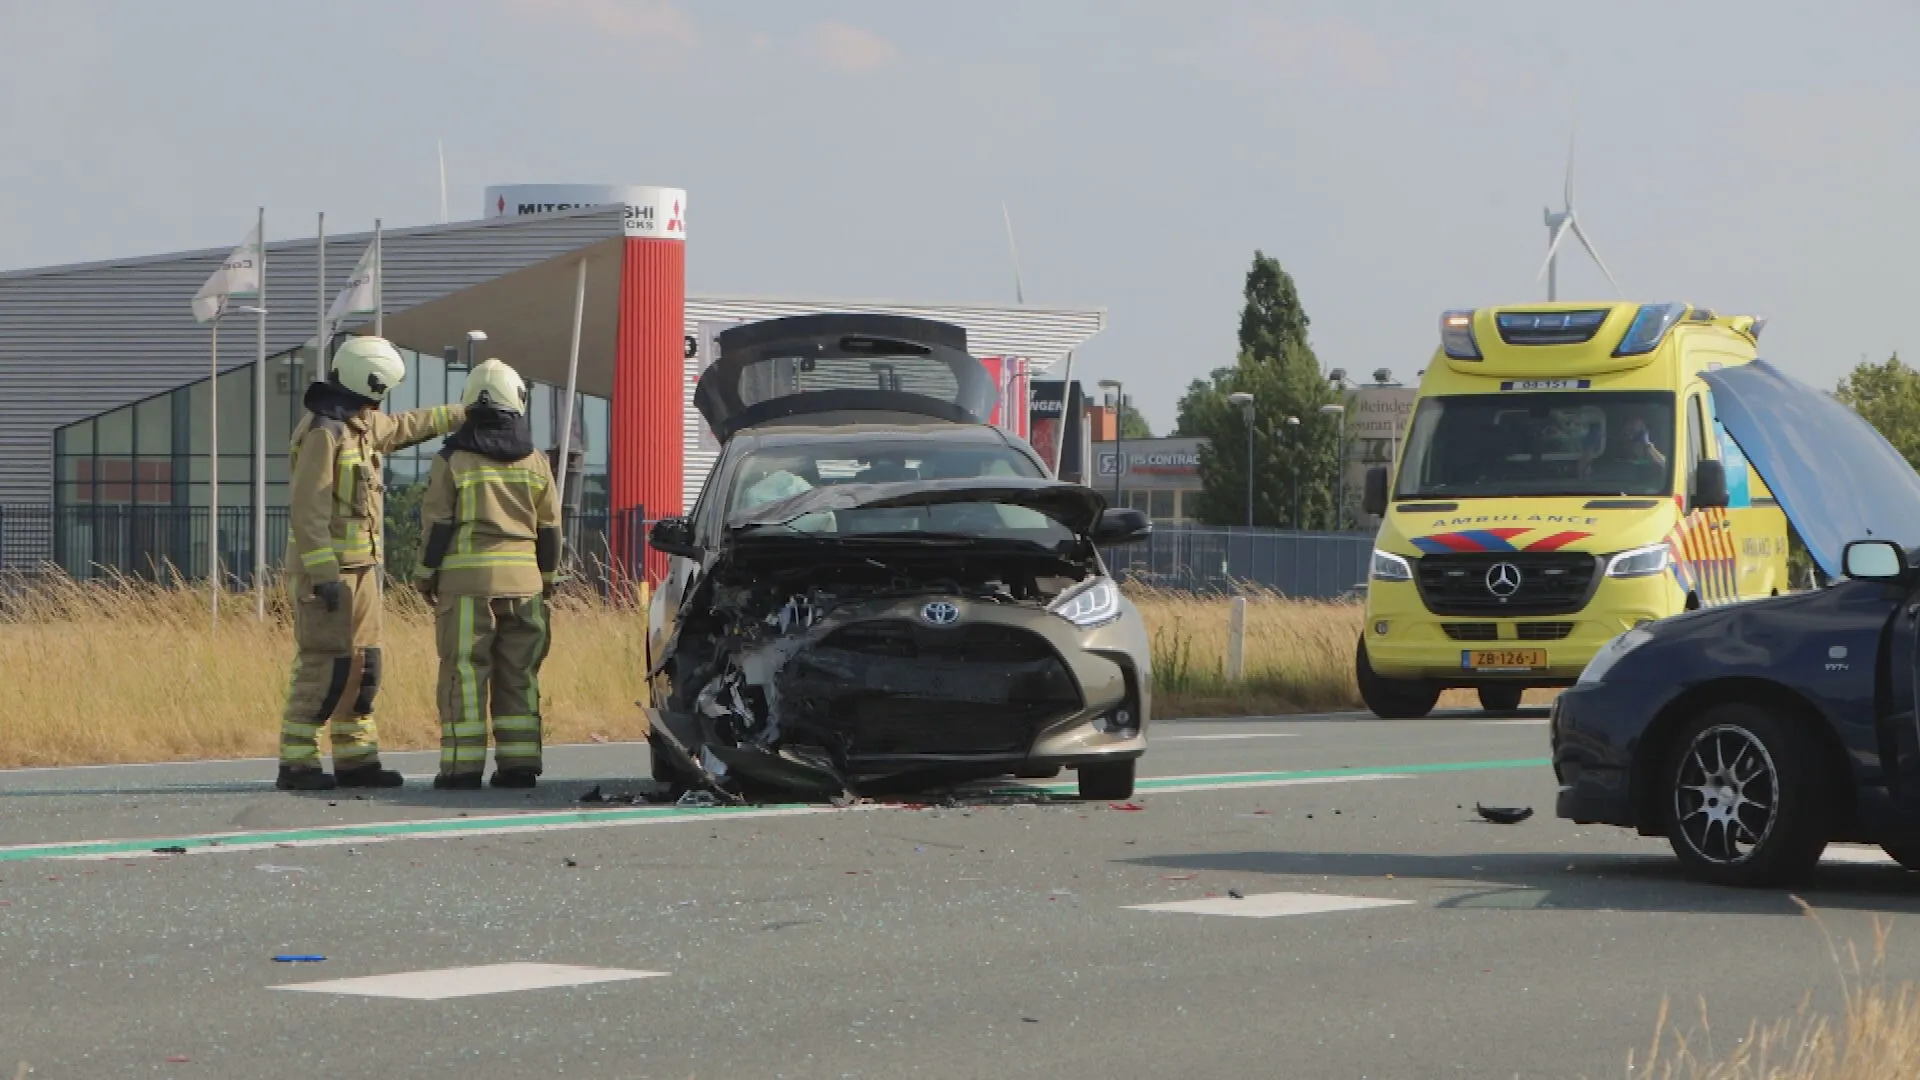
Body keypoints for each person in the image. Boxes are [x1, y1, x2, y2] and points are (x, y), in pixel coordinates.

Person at [279, 336, 465, 792]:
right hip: (328, 575)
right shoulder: (325, 431)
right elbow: (309, 511)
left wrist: (462, 414)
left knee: (363, 666)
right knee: (325, 664)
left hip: (361, 570)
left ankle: (355, 760)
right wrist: (323, 577)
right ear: (372, 380)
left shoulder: (357, 424)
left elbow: (404, 426)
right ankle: (297, 762)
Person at [413, 359, 562, 790]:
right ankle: (519, 765)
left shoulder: (453, 459)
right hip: (526, 589)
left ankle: (462, 768)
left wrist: (425, 576)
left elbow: (437, 525)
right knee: (519, 673)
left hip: (466, 590)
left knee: (464, 672)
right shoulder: (535, 461)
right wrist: (546, 580)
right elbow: (550, 530)